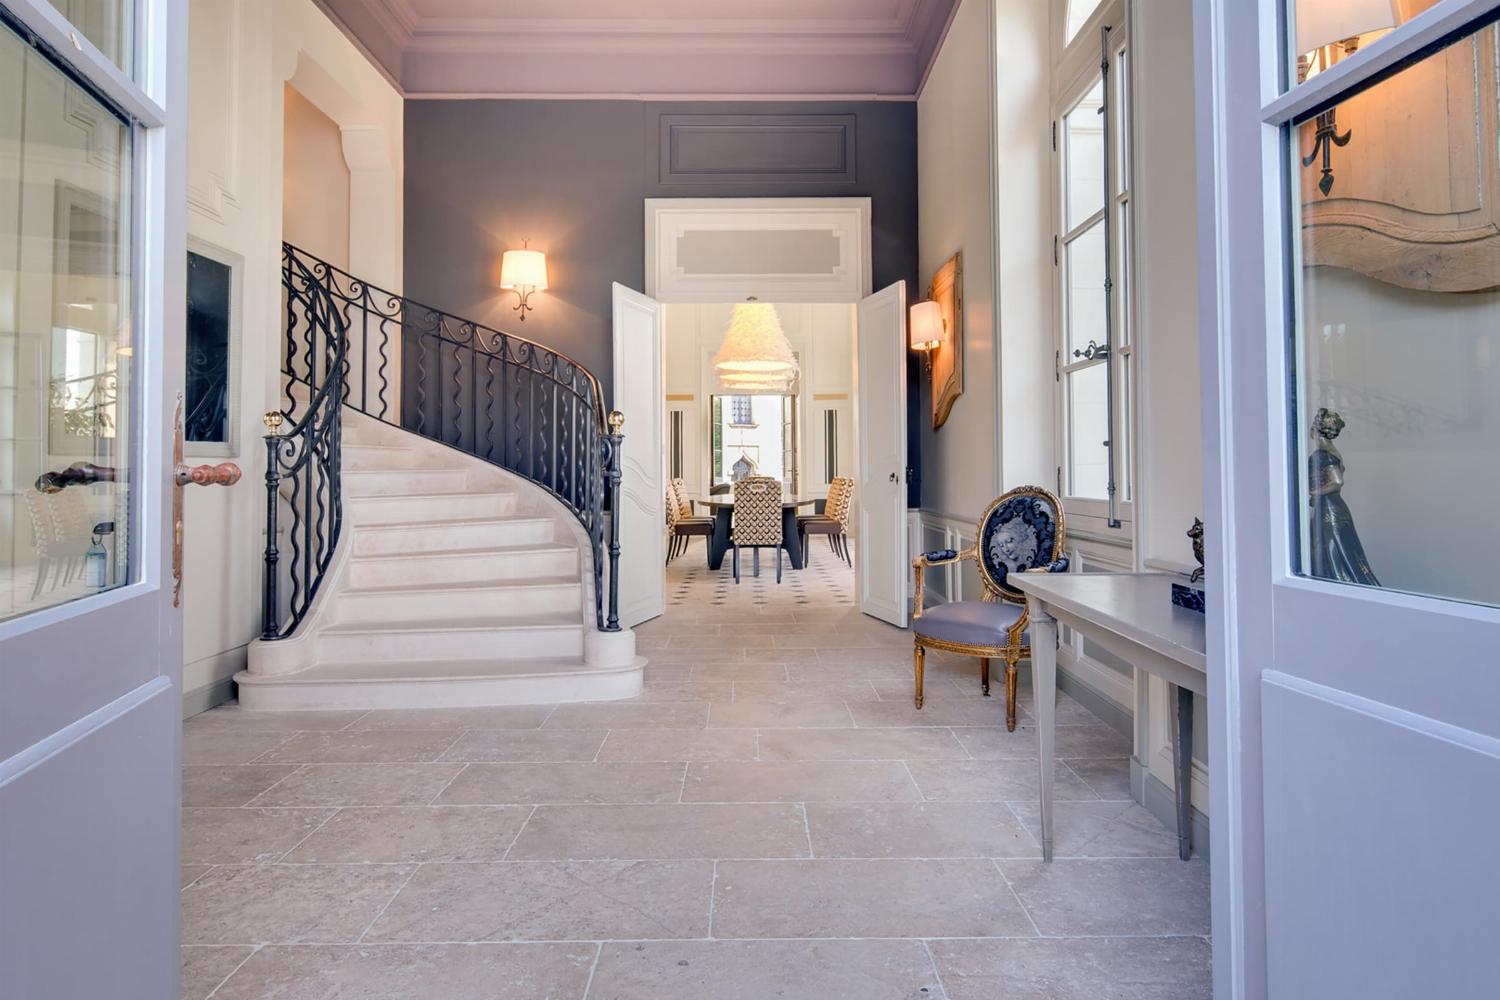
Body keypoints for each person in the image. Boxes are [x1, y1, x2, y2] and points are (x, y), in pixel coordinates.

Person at [1308, 408, 1380, 586]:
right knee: (1342, 549)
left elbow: (1337, 481)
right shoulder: (1332, 452)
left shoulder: (1322, 455)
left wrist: (1314, 492)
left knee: (1331, 549)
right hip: (1334, 507)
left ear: (1315, 431)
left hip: (1328, 509)